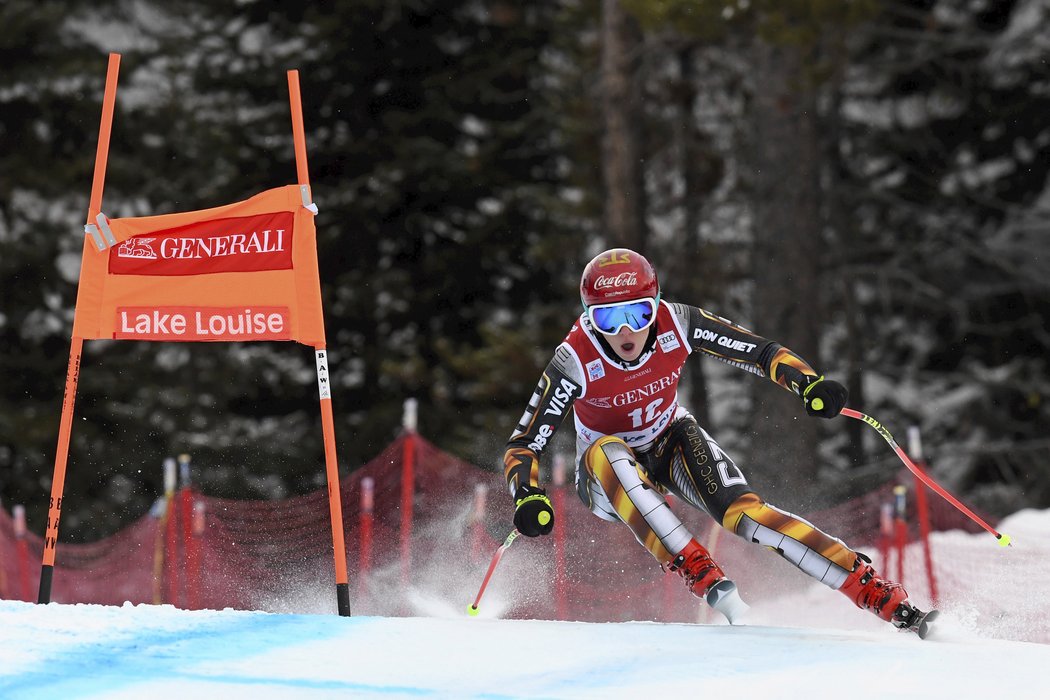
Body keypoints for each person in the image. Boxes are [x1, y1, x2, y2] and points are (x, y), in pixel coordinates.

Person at [501, 247, 935, 635]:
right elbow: (524, 443)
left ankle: (882, 596)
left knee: (746, 515)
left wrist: (808, 384)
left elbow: (759, 352)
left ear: (657, 307)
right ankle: (701, 573)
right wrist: (527, 496)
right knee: (607, 450)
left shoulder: (680, 322)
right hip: (604, 480)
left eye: (639, 314)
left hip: (667, 439)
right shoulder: (575, 358)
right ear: (588, 318)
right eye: (608, 319)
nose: (626, 332)